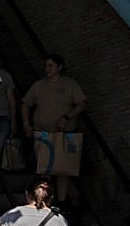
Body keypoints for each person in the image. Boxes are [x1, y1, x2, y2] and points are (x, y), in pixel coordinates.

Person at [21, 54, 87, 204]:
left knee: (63, 169)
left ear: (60, 67)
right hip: (43, 133)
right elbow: (25, 104)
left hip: (64, 133)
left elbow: (82, 103)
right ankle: (44, 199)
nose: (47, 69)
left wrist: (67, 117)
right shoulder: (38, 86)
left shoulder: (70, 85)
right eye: (46, 66)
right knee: (45, 168)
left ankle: (62, 201)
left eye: (51, 66)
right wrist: (26, 124)